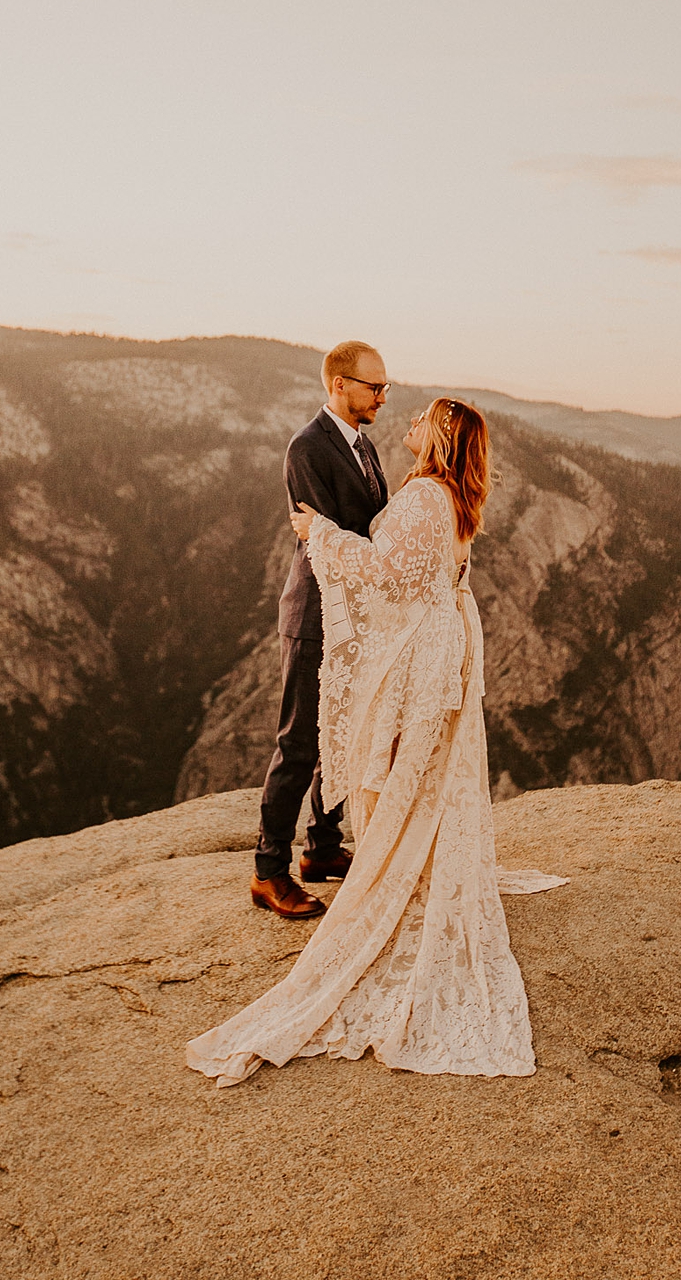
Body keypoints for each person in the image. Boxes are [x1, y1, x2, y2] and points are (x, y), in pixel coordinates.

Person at [187, 398, 567, 1087]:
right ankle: (368, 851)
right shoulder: (451, 495)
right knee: (411, 766)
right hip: (437, 639)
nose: (407, 419)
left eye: (421, 415)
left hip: (420, 649)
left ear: (442, 435)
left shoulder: (424, 493)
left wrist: (321, 533)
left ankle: (380, 858)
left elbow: (390, 572)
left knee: (395, 764)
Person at [250, 339, 392, 920]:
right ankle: (268, 871)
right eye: (374, 386)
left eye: (385, 387)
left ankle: (323, 847)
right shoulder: (306, 447)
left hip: (353, 612)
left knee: (343, 734)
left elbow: (369, 523)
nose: (383, 395)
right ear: (340, 385)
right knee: (301, 742)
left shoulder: (365, 445)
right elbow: (331, 536)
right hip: (315, 615)